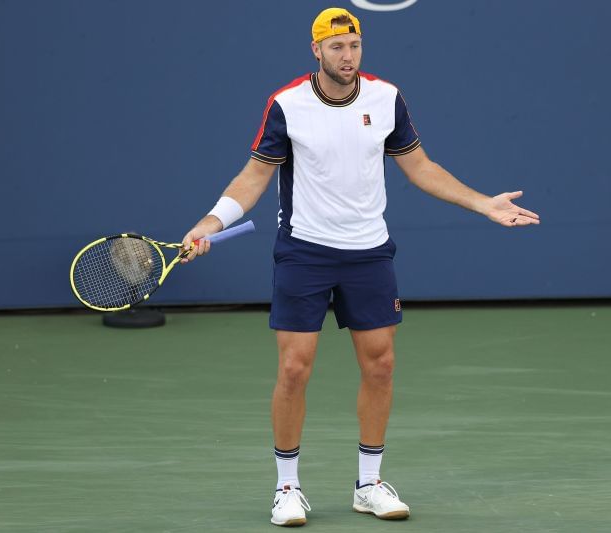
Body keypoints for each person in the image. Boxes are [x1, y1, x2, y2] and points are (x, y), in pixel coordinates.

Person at [180, 6, 540, 527]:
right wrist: (210, 223)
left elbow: (420, 167)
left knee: (381, 365)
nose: (347, 57)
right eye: (336, 48)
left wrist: (483, 203)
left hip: (369, 253)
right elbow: (254, 177)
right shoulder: (288, 105)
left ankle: (368, 483)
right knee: (294, 368)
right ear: (317, 51)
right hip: (304, 251)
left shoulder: (386, 98)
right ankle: (287, 488)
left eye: (354, 47)